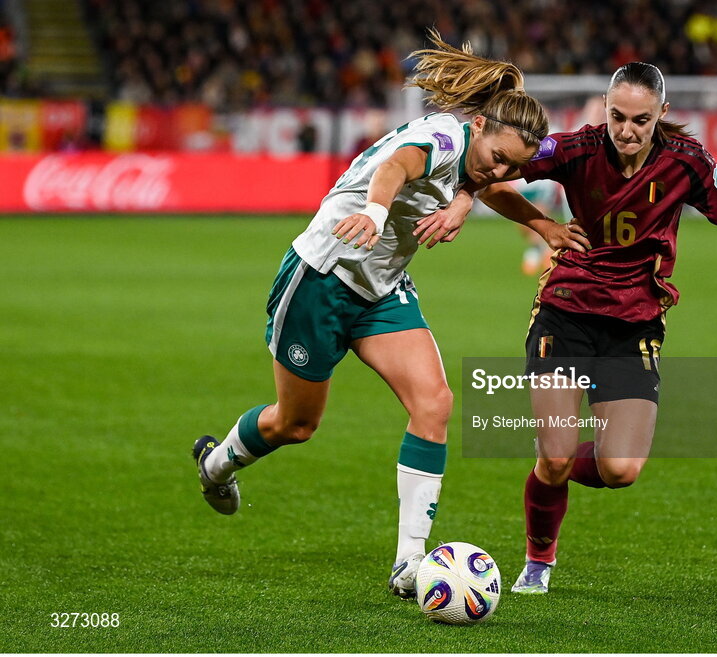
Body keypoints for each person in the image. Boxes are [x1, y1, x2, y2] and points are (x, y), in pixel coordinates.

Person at [190, 29, 579, 600]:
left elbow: (482, 181)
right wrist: (375, 212)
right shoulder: (445, 136)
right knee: (296, 425)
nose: (499, 172)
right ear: (481, 128)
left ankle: (409, 564)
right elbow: (397, 165)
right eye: (497, 158)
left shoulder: (478, 155)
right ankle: (217, 464)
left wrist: (538, 222)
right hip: (322, 277)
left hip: (381, 288)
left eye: (509, 168)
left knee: (435, 402)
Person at [447, 62, 717, 594]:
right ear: (605, 110)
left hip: (635, 324)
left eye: (639, 119)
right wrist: (530, 220)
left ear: (663, 114)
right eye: (617, 117)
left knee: (621, 470)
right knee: (558, 457)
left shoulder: (690, 163)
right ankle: (539, 560)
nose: (626, 131)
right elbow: (487, 172)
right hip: (565, 310)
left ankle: (554, 461)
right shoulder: (573, 149)